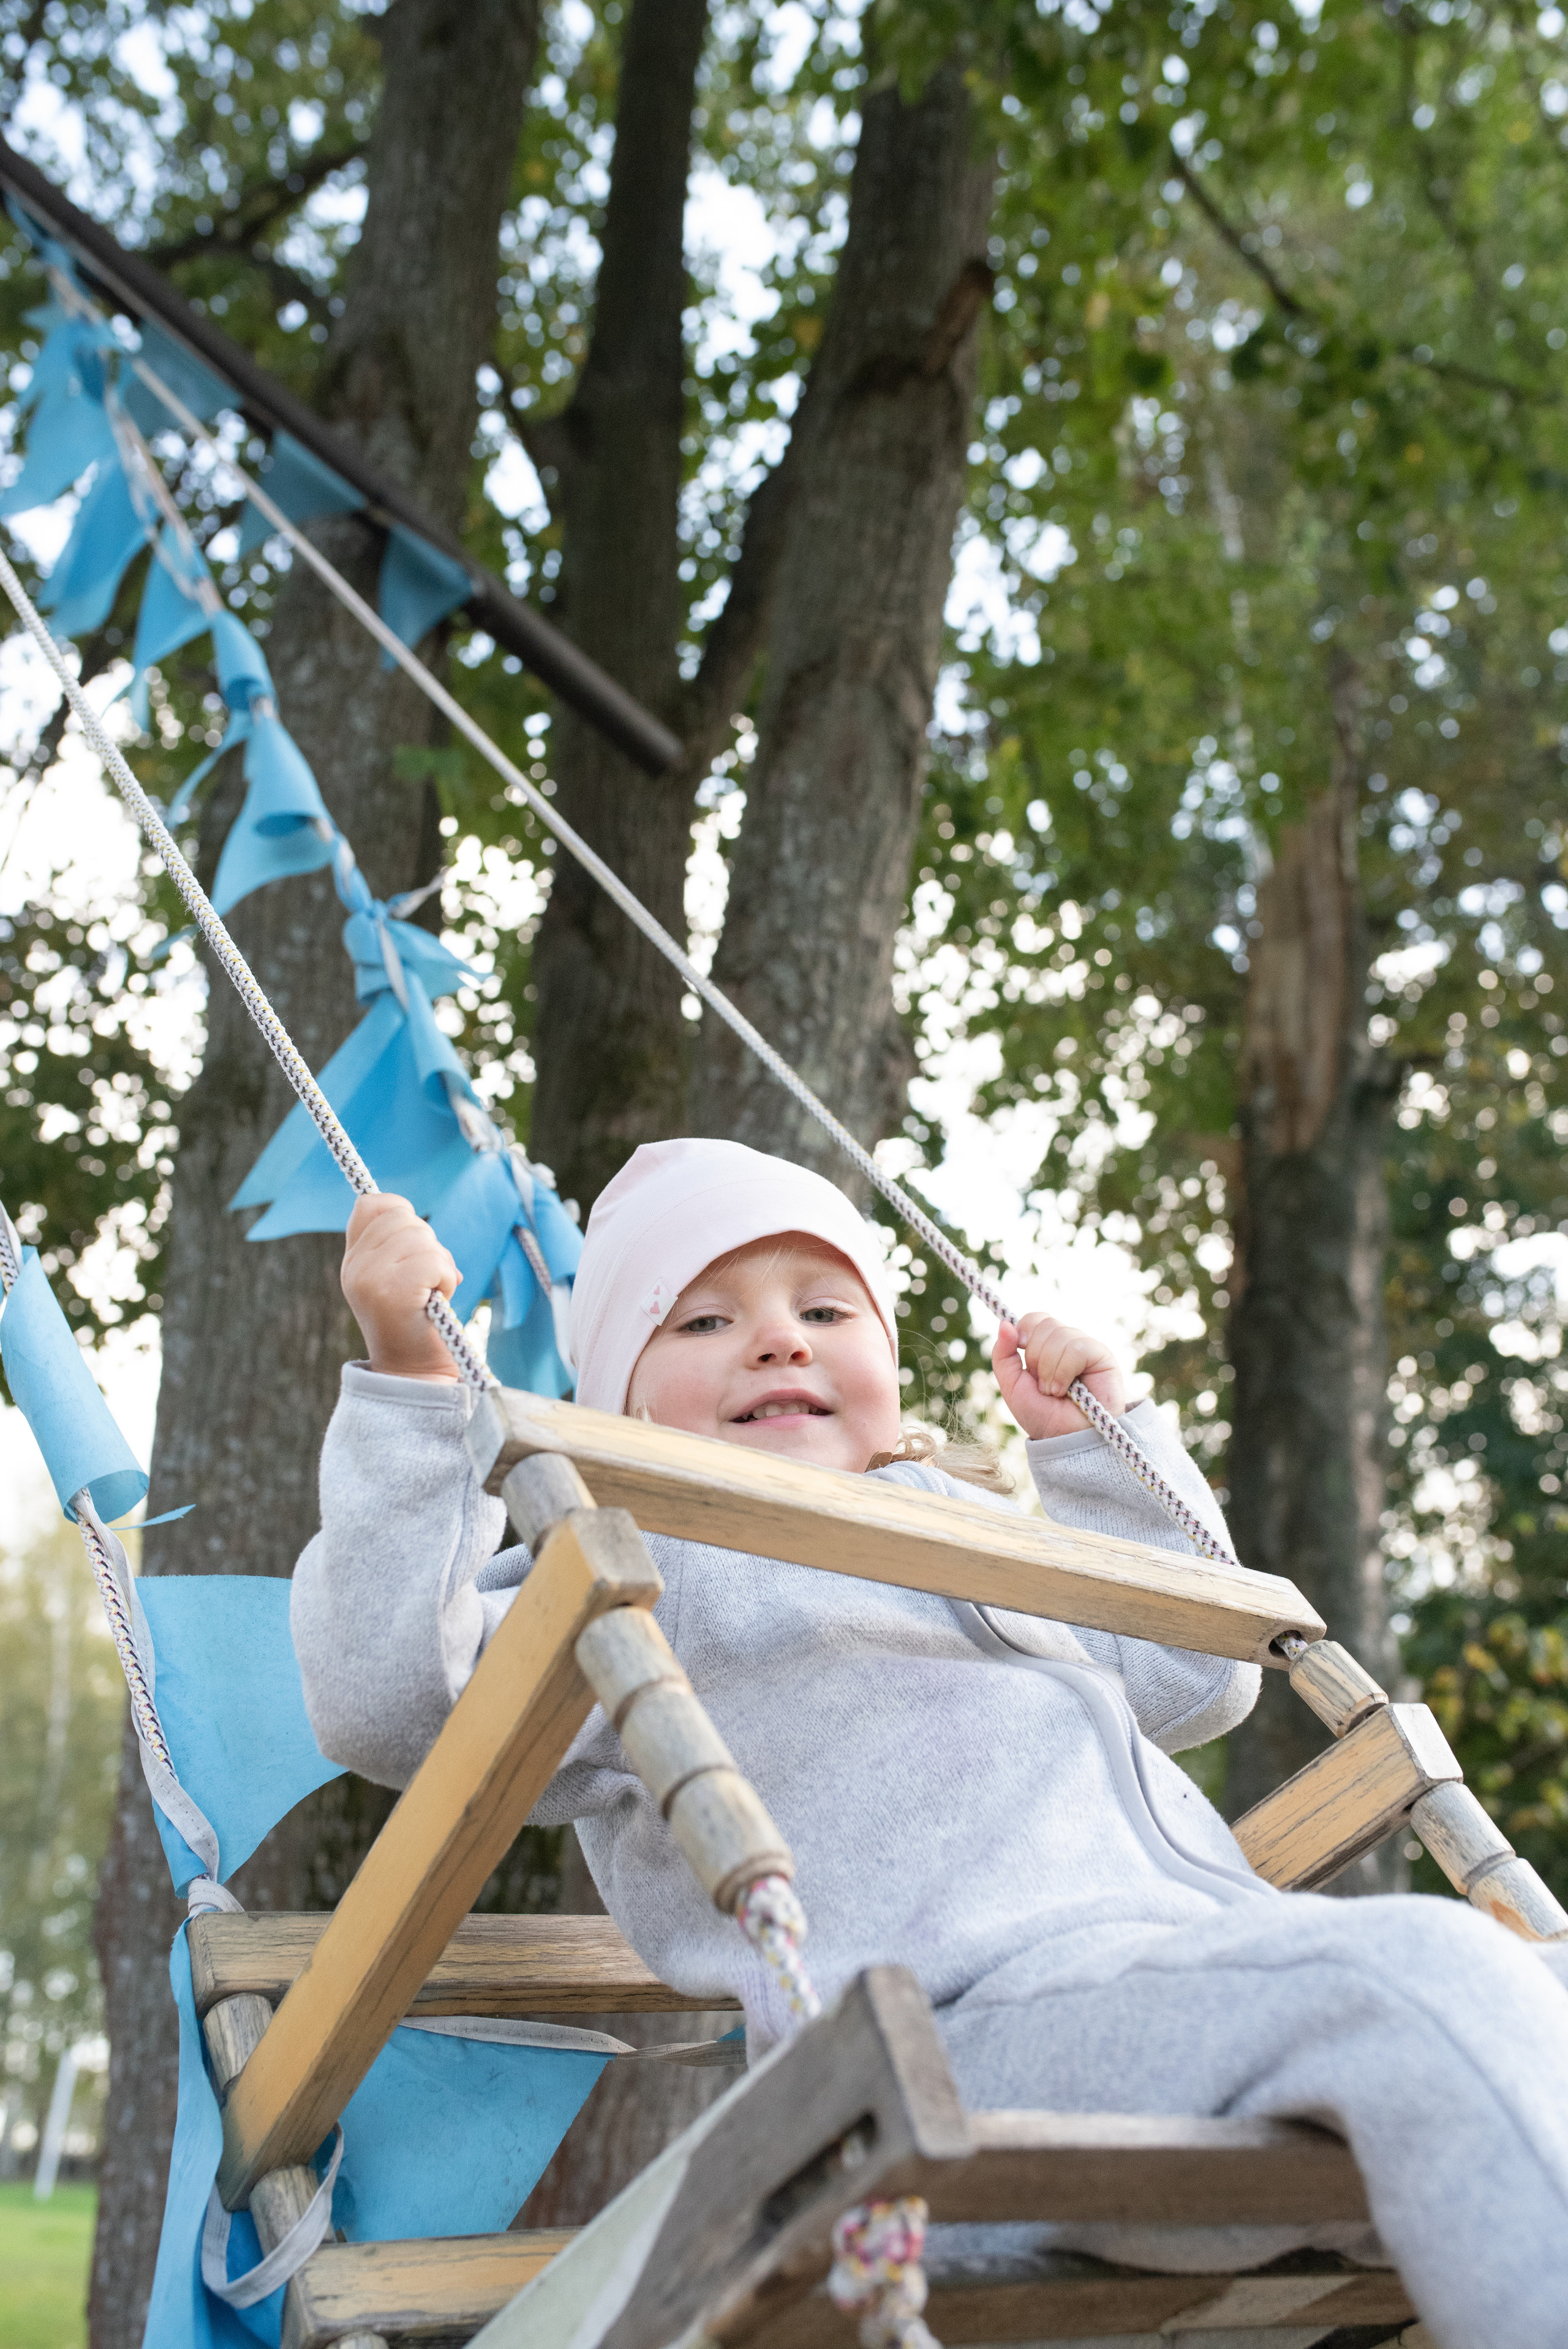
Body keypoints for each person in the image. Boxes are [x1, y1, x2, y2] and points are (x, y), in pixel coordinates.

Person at [292, 1137, 1568, 2349]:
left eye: (825, 1310)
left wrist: (1094, 1447)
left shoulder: (981, 1536)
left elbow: (1190, 1674)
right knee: (1424, 1977)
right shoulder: (638, 1568)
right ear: (613, 1401)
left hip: (1188, 2001)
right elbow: (395, 1702)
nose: (777, 1337)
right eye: (701, 1321)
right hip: (946, 2066)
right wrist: (411, 1389)